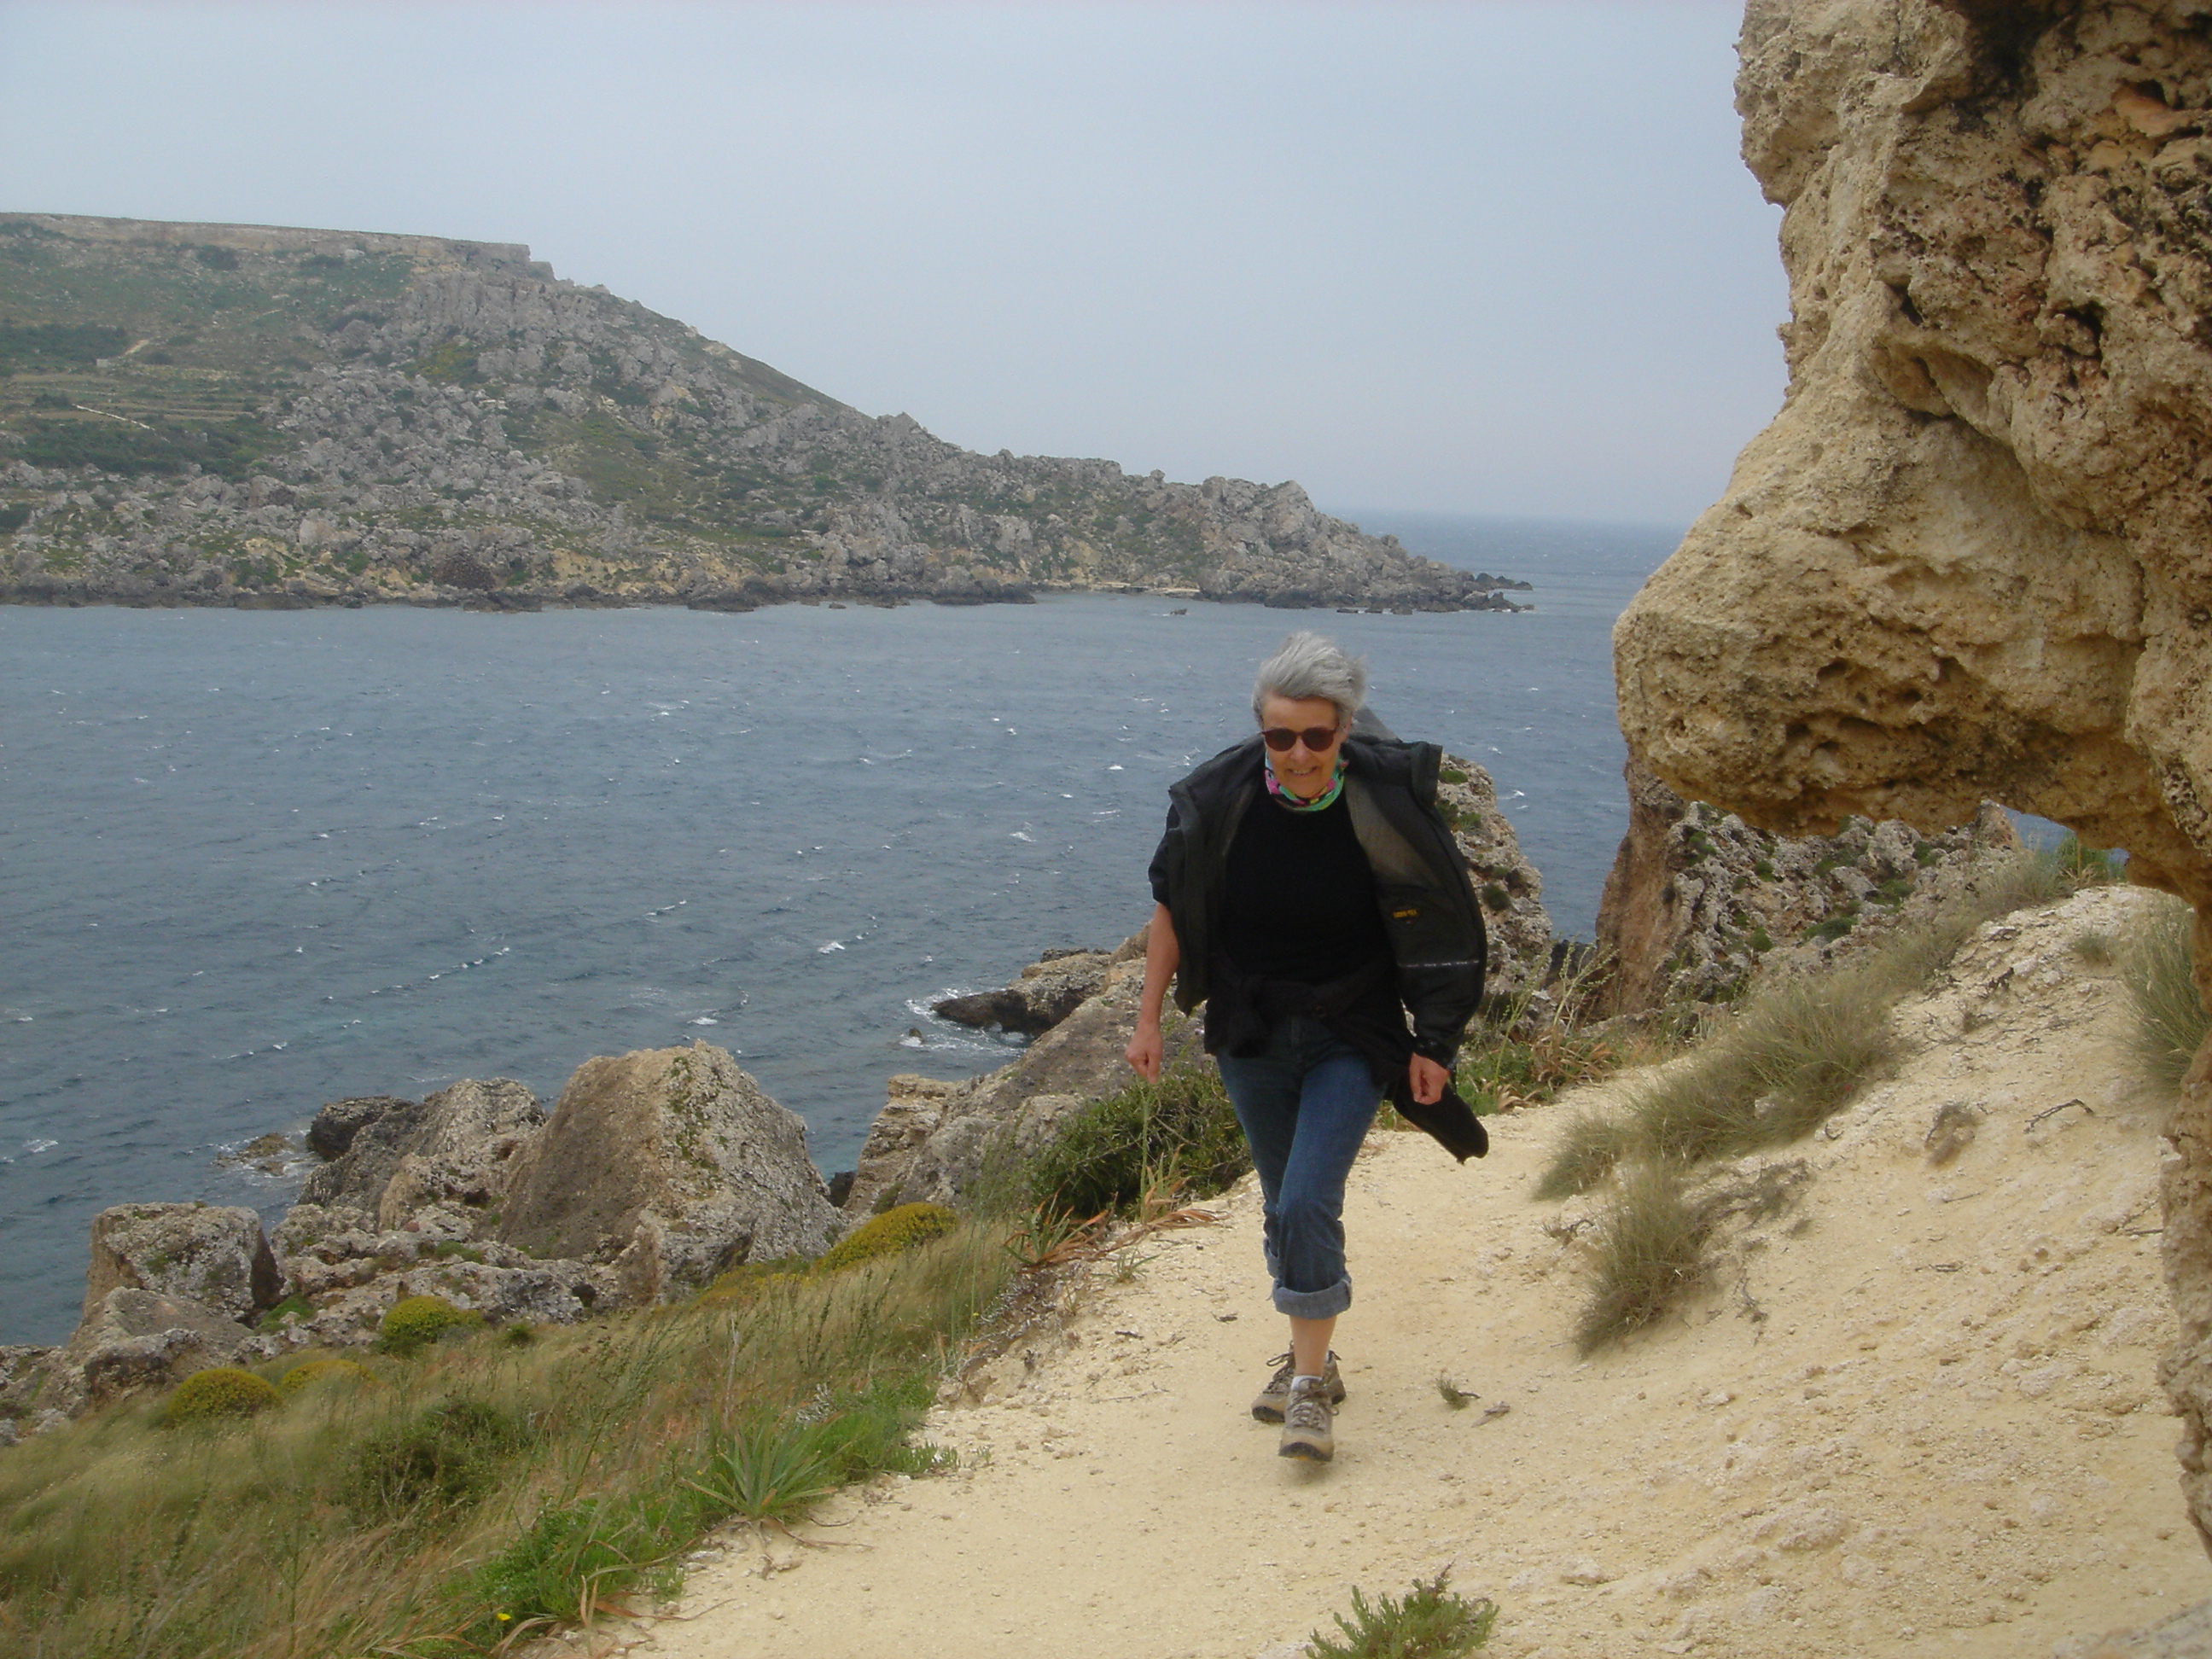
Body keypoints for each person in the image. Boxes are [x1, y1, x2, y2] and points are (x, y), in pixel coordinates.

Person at [1126, 631, 1489, 1462]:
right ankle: (1308, 1354)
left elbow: (1443, 928)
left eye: (1316, 736)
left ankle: (1308, 1390)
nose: (1297, 753)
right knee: (1280, 1201)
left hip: (1351, 1036)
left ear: (1345, 730)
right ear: (1261, 728)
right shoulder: (1218, 803)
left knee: (1304, 1204)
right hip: (1249, 1033)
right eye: (1280, 735)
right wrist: (1147, 1022)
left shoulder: (1385, 808)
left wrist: (1436, 1044)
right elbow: (1172, 911)